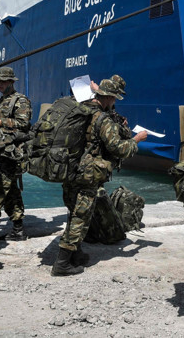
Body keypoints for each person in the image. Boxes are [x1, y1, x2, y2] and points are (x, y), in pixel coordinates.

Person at [52, 79, 147, 276]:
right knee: (80, 216)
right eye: (114, 99)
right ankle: (62, 263)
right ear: (110, 97)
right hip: (87, 175)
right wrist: (136, 140)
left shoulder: (81, 109)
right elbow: (119, 149)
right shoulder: (102, 119)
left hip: (69, 169)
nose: (114, 102)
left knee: (73, 211)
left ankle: (76, 254)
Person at [0, 67, 32, 243]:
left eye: (3, 81)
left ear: (12, 82)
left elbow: (23, 123)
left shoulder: (20, 101)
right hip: (0, 152)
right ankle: (18, 229)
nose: (0, 85)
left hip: (11, 155)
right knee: (10, 192)